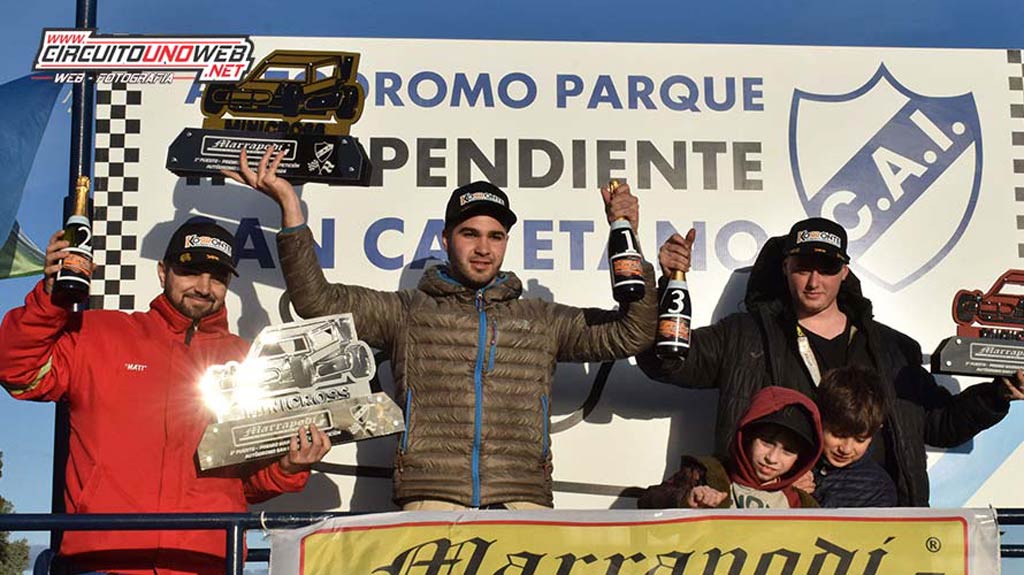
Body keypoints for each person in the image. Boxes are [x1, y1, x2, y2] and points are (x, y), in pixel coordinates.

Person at [224, 149, 657, 510]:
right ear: (447, 239)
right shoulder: (407, 312)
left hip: (522, 498)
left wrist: (626, 235)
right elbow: (317, 301)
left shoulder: (542, 320)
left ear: (506, 243)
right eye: (470, 234)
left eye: (495, 236)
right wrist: (290, 207)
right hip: (431, 497)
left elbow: (632, 334)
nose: (483, 248)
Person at [0, 220, 331, 575]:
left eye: (217, 277)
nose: (203, 287)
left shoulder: (250, 362)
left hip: (205, 565)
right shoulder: (99, 334)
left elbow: (245, 483)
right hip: (102, 562)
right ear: (162, 272)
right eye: (190, 271)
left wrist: (288, 467)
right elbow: (18, 372)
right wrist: (50, 299)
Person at [638, 216, 1024, 506]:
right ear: (785, 268)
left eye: (826, 269)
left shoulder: (893, 348)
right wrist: (670, 281)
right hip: (772, 528)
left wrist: (997, 394)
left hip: (878, 534)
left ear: (844, 272)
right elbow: (667, 362)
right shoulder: (742, 335)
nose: (813, 281)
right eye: (803, 267)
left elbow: (940, 426)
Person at [638, 386, 821, 509]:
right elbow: (648, 500)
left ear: (801, 459)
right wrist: (687, 498)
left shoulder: (801, 503)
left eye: (788, 451)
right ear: (747, 436)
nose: (772, 458)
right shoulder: (707, 472)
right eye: (766, 442)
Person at [798, 366, 898, 508]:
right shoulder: (788, 463)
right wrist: (786, 493)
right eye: (838, 435)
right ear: (819, 421)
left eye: (860, 440)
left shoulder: (879, 489)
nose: (846, 449)